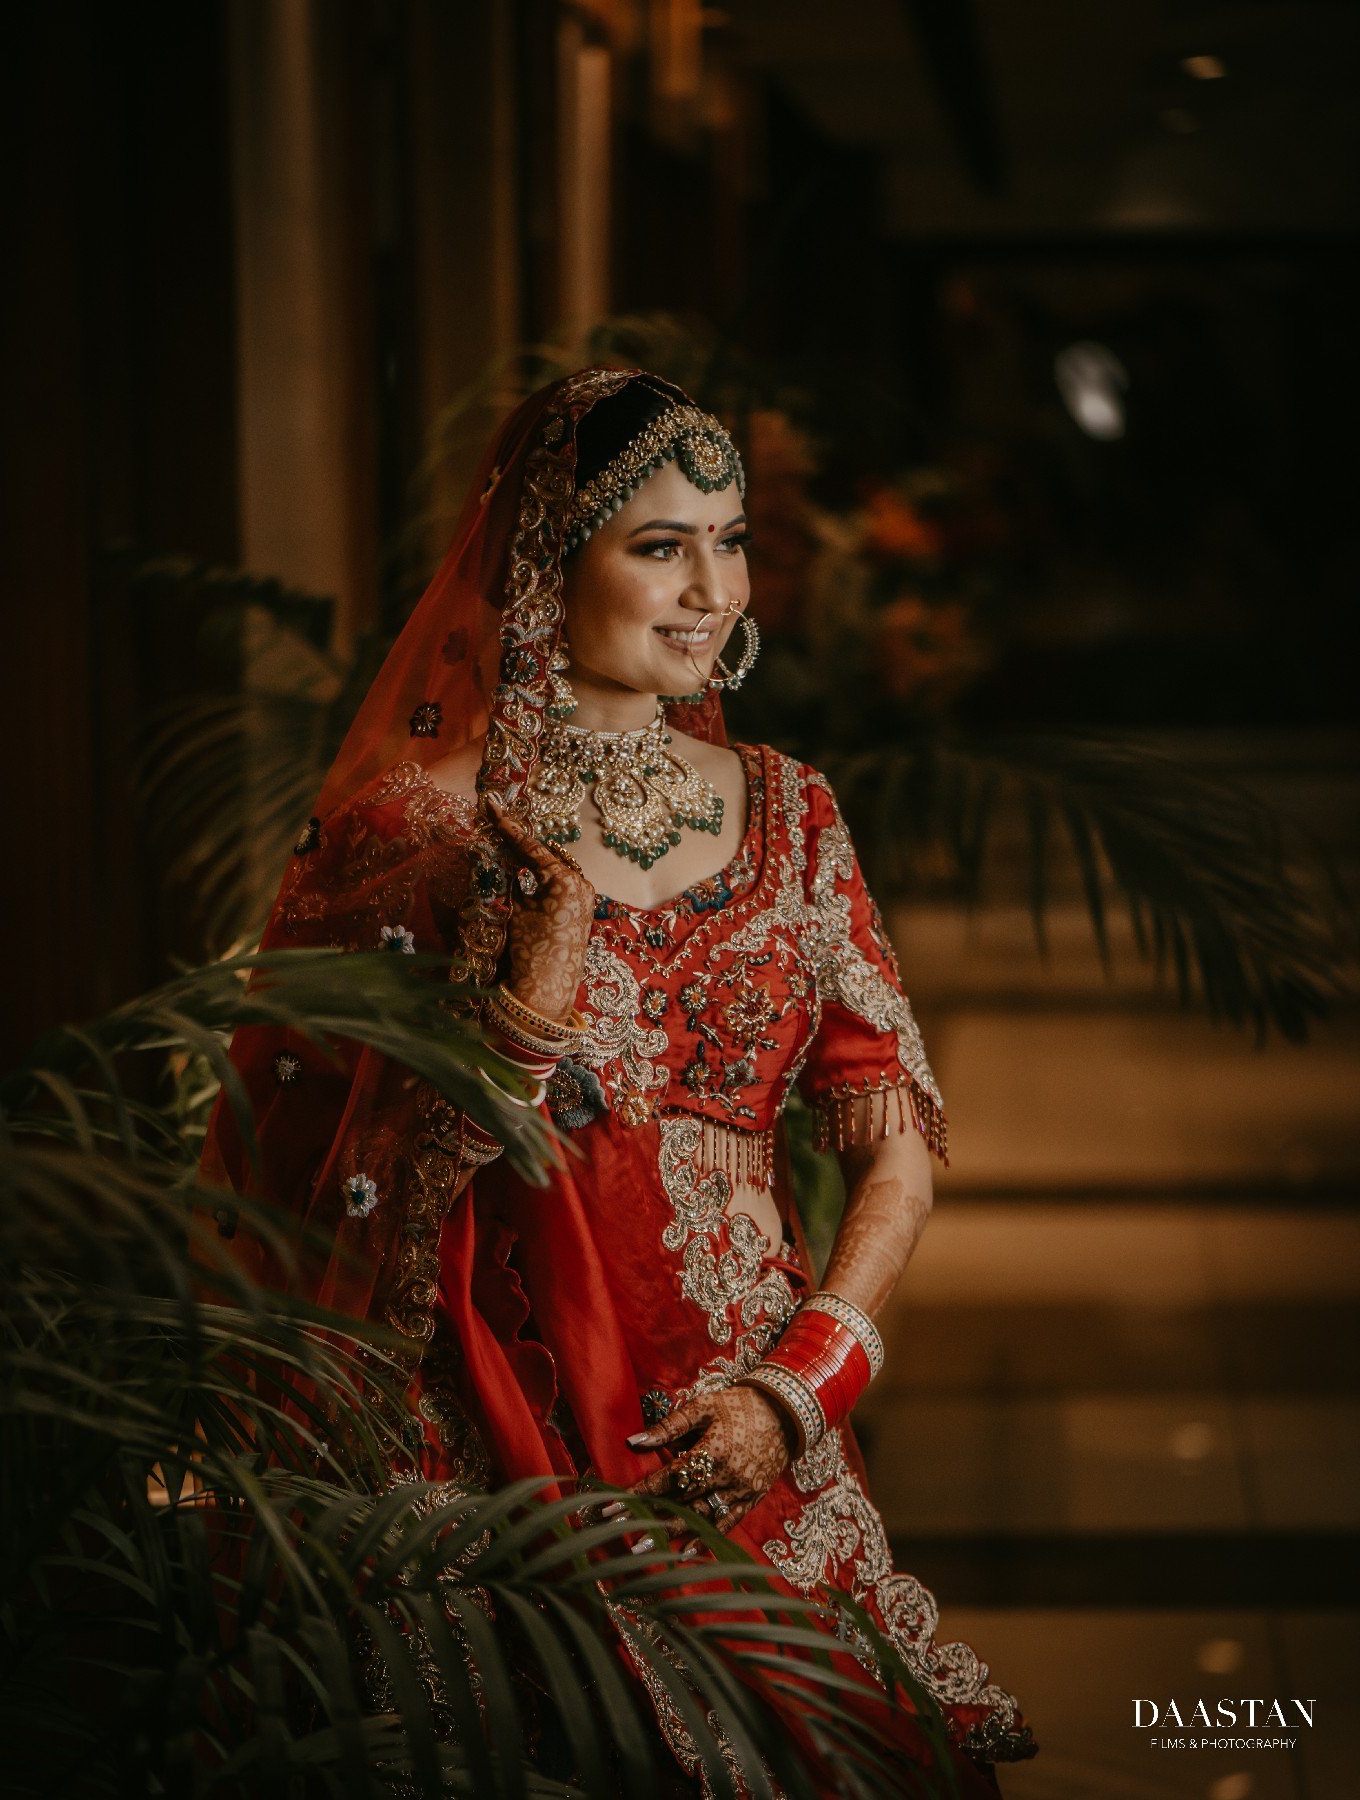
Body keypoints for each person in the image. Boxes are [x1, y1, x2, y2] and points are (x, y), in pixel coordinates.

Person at [203, 368, 1035, 1793]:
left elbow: (895, 1139)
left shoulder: (794, 811)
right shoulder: (418, 828)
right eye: (660, 545)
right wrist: (520, 1021)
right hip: (494, 1459)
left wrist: (805, 1384)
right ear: (546, 559)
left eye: (730, 539)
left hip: (757, 1430)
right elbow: (301, 1181)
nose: (711, 587)